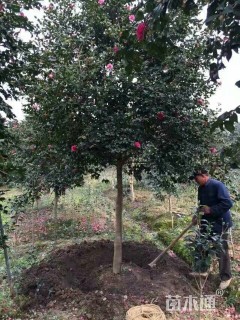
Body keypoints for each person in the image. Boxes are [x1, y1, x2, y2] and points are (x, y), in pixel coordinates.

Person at [189, 168, 233, 290]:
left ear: (203, 175)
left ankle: (226, 277)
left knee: (221, 249)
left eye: (196, 178)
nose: (195, 181)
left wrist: (211, 210)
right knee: (201, 243)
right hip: (207, 222)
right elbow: (201, 205)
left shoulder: (217, 185)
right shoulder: (201, 189)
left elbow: (228, 203)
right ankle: (203, 269)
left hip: (221, 223)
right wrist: (196, 215)